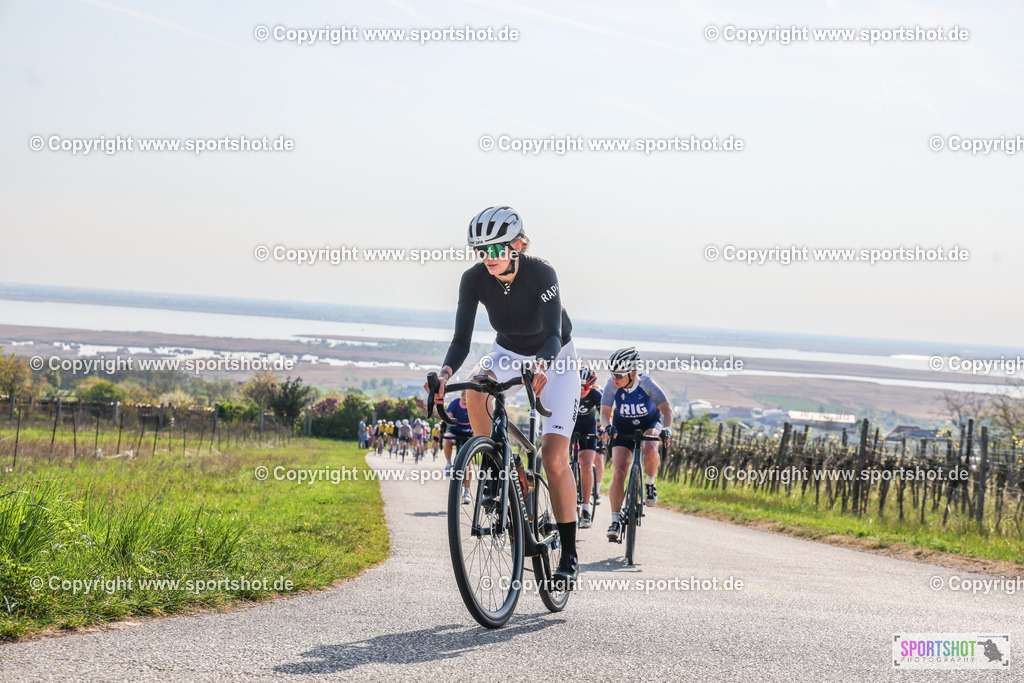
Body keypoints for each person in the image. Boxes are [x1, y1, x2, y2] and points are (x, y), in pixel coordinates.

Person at [428, 206, 582, 590]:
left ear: (517, 244)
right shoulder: (473, 280)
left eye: (496, 249)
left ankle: (569, 553)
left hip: (556, 356)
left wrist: (544, 366)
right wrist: (445, 374)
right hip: (506, 351)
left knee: (553, 456)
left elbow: (552, 334)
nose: (489, 258)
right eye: (481, 251)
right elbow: (461, 340)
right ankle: (496, 470)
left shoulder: (541, 272)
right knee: (475, 391)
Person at [599, 347, 672, 542]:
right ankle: (614, 520)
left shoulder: (647, 384)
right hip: (622, 425)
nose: (615, 378)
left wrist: (667, 429)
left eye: (619, 375)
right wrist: (606, 428)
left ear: (632, 373)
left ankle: (650, 483)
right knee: (619, 469)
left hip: (649, 423)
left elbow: (667, 411)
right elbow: (605, 413)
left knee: (650, 447)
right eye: (612, 374)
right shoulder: (612, 385)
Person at [572, 366, 602, 529]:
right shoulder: (569, 391)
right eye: (579, 386)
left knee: (586, 465)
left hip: (588, 430)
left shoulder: (596, 395)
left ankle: (585, 509)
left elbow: (606, 412)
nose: (582, 390)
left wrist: (605, 428)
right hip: (569, 428)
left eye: (586, 387)